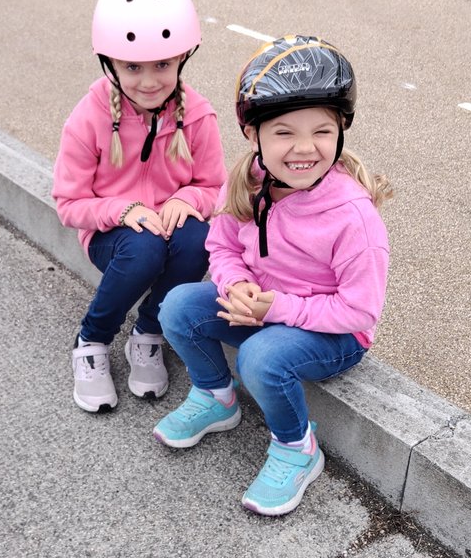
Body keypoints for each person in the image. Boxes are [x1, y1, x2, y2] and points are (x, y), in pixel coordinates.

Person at [154, 34, 393, 517]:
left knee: (261, 358)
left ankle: (296, 449)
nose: (304, 148)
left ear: (341, 132)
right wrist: (233, 283)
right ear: (254, 134)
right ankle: (217, 397)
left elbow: (360, 309)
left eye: (321, 132)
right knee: (179, 305)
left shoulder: (353, 217)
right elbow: (221, 246)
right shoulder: (246, 184)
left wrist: (277, 308)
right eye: (284, 132)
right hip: (264, 306)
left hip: (335, 332)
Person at [53, 0, 226, 413]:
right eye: (132, 67)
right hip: (114, 236)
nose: (149, 81)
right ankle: (91, 339)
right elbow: (69, 204)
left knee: (200, 236)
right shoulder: (88, 117)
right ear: (109, 62)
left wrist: (187, 199)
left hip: (168, 228)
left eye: (163, 65)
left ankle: (148, 333)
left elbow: (213, 186)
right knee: (145, 247)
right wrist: (122, 209)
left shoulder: (199, 116)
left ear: (183, 58)